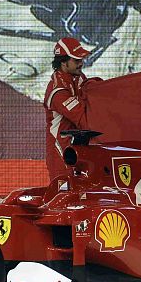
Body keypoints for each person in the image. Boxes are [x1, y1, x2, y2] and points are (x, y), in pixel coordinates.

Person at [43, 37, 102, 179]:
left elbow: (91, 90)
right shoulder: (58, 92)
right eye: (76, 61)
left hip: (79, 149)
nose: (81, 64)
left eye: (81, 59)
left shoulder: (77, 77)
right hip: (62, 155)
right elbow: (85, 121)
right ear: (63, 62)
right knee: (65, 198)